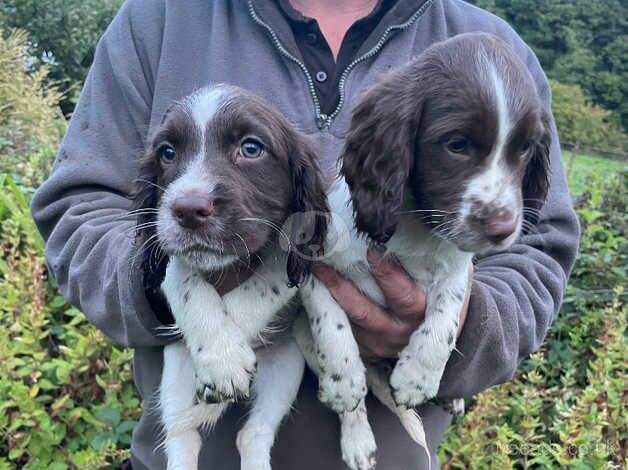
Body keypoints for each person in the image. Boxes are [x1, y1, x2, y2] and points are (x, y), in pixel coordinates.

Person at [30, 0, 580, 468]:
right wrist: (175, 284)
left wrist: (457, 332)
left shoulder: (495, 49)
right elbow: (79, 207)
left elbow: (537, 243)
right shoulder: (161, 19)